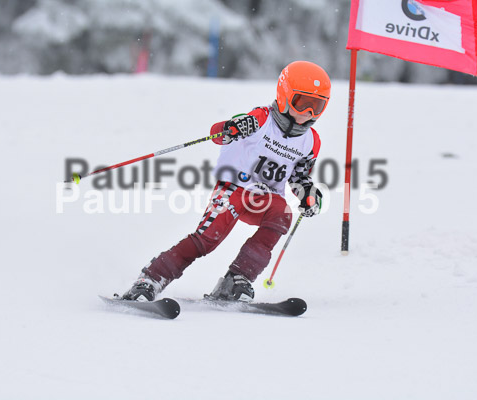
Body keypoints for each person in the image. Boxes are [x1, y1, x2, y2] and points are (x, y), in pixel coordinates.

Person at [121, 60, 330, 302]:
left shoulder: (311, 142)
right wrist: (234, 127)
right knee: (207, 240)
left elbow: (299, 176)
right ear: (284, 96)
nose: (309, 114)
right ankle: (151, 278)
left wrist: (307, 193)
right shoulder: (260, 119)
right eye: (302, 103)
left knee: (283, 213)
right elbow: (219, 133)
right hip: (233, 190)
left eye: (317, 106)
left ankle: (237, 279)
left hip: (265, 199)